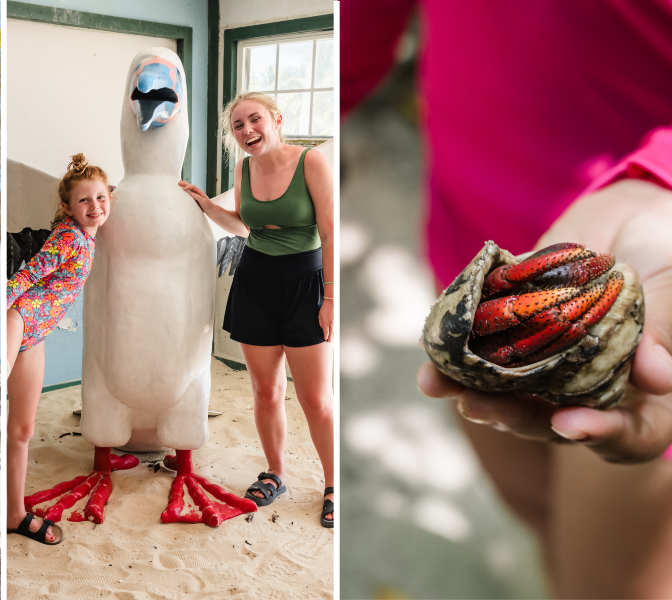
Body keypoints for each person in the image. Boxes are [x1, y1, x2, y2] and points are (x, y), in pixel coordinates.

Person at [343, 1, 672, 596]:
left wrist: (659, 180)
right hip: (467, 235)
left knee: (604, 581)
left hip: (656, 294)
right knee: (538, 512)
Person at [178, 92, 335, 528]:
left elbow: (330, 231)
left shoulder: (311, 163)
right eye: (238, 126)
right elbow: (247, 226)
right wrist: (209, 207)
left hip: (307, 285)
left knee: (316, 399)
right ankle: (276, 473)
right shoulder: (243, 168)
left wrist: (331, 298)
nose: (247, 131)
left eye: (255, 120)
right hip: (254, 283)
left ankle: (333, 485)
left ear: (276, 120)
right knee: (266, 392)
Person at [5, 154, 111, 545]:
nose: (95, 206)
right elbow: (28, 275)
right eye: (85, 200)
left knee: (22, 428)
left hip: (35, 333)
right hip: (15, 320)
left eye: (101, 198)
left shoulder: (87, 232)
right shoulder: (69, 237)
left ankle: (15, 514)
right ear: (67, 207)